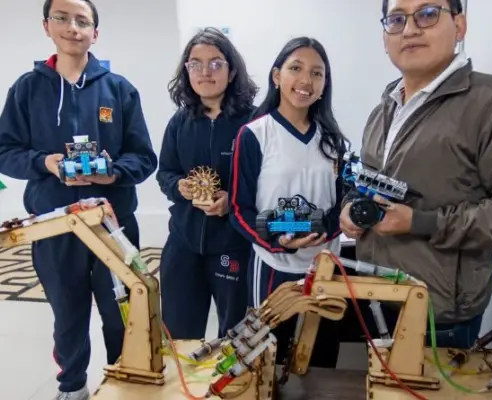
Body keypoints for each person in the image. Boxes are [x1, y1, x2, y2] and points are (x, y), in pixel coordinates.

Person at [340, 0, 492, 350]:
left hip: (437, 318)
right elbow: (365, 184)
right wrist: (351, 208)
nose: (410, 29)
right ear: (384, 37)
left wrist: (421, 222)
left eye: (427, 14)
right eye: (396, 19)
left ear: (459, 25)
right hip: (375, 298)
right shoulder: (383, 111)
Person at [0, 0, 158, 399]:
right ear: (46, 26)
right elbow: (5, 152)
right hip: (55, 226)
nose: (73, 27)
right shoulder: (27, 89)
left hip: (113, 226)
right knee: (67, 315)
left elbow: (144, 158)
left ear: (95, 33)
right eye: (62, 18)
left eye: (82, 21)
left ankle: (126, 383)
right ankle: (72, 388)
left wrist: (113, 172)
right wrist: (45, 163)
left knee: (123, 312)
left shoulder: (119, 89)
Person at [229, 37, 347, 365]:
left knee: (320, 357)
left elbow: (343, 205)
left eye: (317, 73)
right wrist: (276, 241)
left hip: (324, 267)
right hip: (273, 266)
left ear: (324, 84)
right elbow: (238, 209)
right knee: (267, 358)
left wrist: (324, 231)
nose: (306, 80)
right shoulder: (254, 135)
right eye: (296, 68)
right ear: (277, 76)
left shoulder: (333, 141)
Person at [156, 28, 258, 340]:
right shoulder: (180, 121)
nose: (205, 72)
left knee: (236, 335)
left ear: (232, 71)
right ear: (186, 71)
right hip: (183, 242)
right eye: (195, 64)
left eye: (215, 63)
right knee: (179, 334)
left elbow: (267, 182)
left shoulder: (254, 123)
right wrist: (179, 187)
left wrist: (233, 201)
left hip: (233, 243)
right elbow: (165, 172)